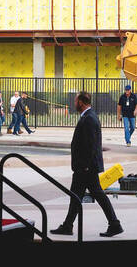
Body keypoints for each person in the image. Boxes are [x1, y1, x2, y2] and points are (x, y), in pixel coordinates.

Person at [51, 91, 123, 238]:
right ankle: (68, 225)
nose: (74, 103)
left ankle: (114, 224)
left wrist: (85, 166)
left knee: (94, 195)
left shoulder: (89, 119)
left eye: (75, 101)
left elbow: (91, 145)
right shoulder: (88, 117)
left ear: (81, 103)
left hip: (86, 168)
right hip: (85, 167)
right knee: (77, 195)